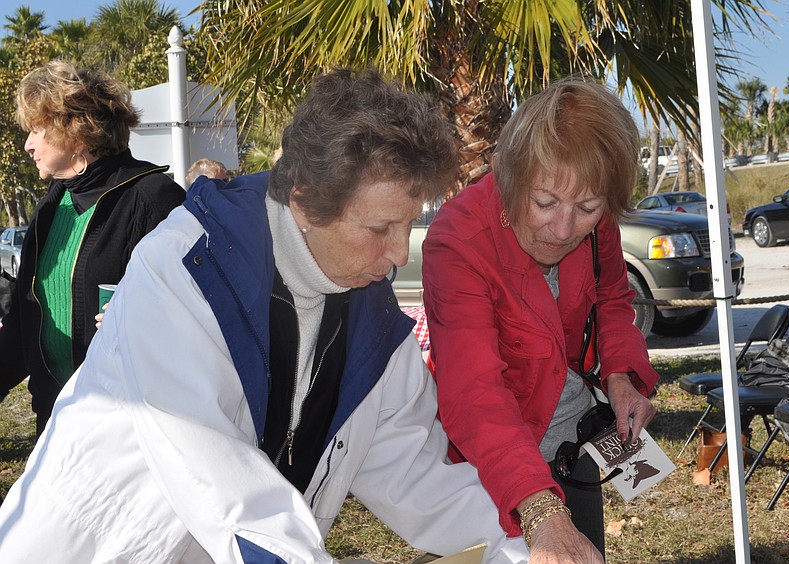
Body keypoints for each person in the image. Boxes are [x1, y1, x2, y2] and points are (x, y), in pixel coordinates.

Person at [0, 69, 530, 564]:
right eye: (379, 229)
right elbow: (229, 496)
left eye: (408, 224)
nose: (397, 254)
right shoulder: (181, 269)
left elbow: (419, 473)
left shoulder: (372, 317)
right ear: (304, 201)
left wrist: (528, 546)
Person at [422, 78, 660, 562]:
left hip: (575, 443)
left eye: (587, 208)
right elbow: (474, 391)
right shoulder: (458, 240)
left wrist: (620, 375)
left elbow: (612, 297)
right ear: (507, 176)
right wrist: (538, 509)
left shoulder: (598, 222)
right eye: (545, 202)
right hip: (487, 462)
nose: (564, 229)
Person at [0, 61, 186, 436]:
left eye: (36, 130)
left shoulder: (155, 200)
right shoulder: (51, 207)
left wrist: (142, 317)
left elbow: (198, 314)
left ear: (75, 131)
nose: (28, 144)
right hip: (56, 423)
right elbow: (24, 323)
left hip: (129, 429)